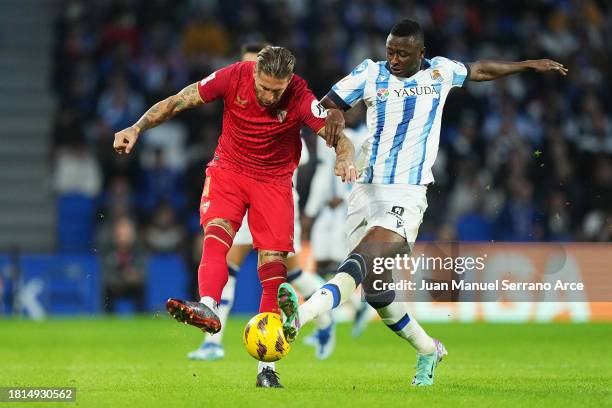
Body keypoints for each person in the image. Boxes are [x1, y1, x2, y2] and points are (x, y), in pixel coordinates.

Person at [277, 18, 567, 387]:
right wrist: (335, 114)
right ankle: (429, 349)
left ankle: (298, 319)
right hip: (365, 190)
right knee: (377, 293)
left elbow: (479, 69)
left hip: (407, 194)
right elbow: (326, 104)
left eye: (403, 53)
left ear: (421, 53)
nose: (394, 59)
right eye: (390, 52)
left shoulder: (441, 73)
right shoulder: (370, 73)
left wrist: (526, 65)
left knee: (358, 262)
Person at [113, 45, 356, 388]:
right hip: (228, 171)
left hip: (274, 183)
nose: (270, 96)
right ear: (254, 71)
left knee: (273, 270)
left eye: (277, 89)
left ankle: (265, 369)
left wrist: (344, 157)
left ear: (289, 81)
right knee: (216, 238)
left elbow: (339, 140)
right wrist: (136, 128)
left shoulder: (301, 95)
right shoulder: (233, 76)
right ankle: (208, 306)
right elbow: (179, 100)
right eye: (264, 87)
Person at [187, 42, 335, 362]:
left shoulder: (290, 107)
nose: (262, 93)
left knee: (286, 274)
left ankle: (323, 314)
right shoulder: (239, 90)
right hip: (241, 187)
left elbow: (306, 153)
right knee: (228, 258)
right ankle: (212, 337)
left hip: (277, 193)